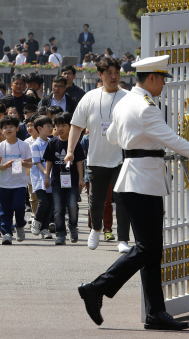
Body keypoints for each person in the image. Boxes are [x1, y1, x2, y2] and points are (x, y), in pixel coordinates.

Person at [77, 55, 189, 331]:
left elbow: (112, 137)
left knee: (151, 251)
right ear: (152, 78)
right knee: (149, 249)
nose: (163, 86)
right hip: (143, 181)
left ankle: (155, 313)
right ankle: (96, 287)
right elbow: (172, 140)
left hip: (135, 178)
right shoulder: (146, 107)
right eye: (162, 80)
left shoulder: (125, 102)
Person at [64, 57, 130, 252]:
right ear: (100, 75)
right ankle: (96, 230)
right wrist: (69, 151)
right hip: (97, 158)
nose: (114, 76)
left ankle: (123, 239)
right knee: (96, 200)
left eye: (117, 73)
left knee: (122, 199)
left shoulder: (128, 97)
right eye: (109, 73)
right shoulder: (90, 97)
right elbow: (76, 127)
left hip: (121, 158)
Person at [43, 112, 85, 245]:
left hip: (72, 180)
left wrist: (81, 178)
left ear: (70, 127)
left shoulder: (75, 143)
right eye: (57, 125)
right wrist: (47, 177)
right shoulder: (53, 143)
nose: (60, 128)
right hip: (56, 181)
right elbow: (49, 161)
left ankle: (73, 226)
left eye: (64, 125)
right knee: (58, 208)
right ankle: (60, 234)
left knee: (72, 206)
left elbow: (79, 161)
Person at [0, 115, 33, 245]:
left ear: (17, 128)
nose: (8, 129)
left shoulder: (24, 145)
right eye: (5, 127)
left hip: (20, 183)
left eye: (11, 126)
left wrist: (23, 163)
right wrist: (5, 166)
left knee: (19, 206)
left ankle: (20, 225)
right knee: (5, 209)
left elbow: (30, 163)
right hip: (4, 184)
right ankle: (6, 233)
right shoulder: (0, 147)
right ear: (1, 131)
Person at [29, 115, 54, 239]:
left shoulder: (52, 142)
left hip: (51, 178)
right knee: (43, 201)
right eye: (48, 126)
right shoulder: (36, 145)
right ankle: (36, 220)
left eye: (51, 126)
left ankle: (45, 229)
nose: (51, 128)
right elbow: (37, 162)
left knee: (50, 204)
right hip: (40, 178)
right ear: (39, 128)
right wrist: (46, 172)